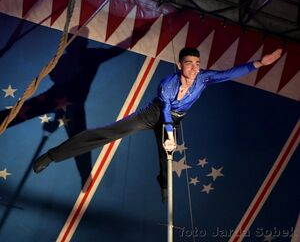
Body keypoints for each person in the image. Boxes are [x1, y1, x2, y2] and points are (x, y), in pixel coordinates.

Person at [32, 47, 282, 202]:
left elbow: (230, 73)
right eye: (189, 64)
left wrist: (259, 63)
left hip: (174, 119)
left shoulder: (204, 78)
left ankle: (163, 185)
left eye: (197, 63)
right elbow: (164, 110)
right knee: (107, 132)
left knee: (166, 156)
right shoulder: (168, 83)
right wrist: (170, 132)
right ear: (179, 65)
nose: (194, 68)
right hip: (153, 114)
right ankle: (52, 156)